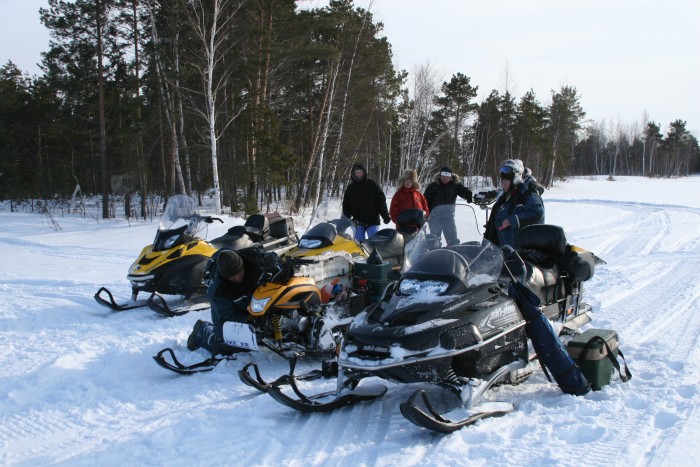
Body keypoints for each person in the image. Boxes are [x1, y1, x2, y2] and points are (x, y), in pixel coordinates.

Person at [187, 247, 277, 356]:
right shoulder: (218, 290)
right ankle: (202, 331)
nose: (238, 278)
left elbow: (278, 262)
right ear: (225, 276)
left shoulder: (255, 258)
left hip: (259, 303)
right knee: (237, 345)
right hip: (233, 313)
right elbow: (229, 315)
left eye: (239, 273)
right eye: (233, 278)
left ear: (242, 265)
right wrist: (252, 321)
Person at [484, 159, 545, 248]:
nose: (504, 183)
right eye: (503, 180)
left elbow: (538, 214)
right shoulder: (504, 199)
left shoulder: (528, 195)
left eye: (507, 180)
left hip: (523, 252)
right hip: (505, 252)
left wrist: (513, 220)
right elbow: (492, 227)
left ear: (516, 177)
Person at [423, 166, 473, 246]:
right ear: (440, 176)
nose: (445, 178)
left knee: (453, 240)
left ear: (450, 177)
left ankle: (452, 256)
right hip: (434, 218)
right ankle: (434, 256)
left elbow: (463, 190)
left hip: (448, 217)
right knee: (434, 241)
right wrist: (425, 213)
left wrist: (467, 193)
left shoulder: (455, 185)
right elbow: (424, 200)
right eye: (443, 176)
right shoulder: (433, 186)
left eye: (447, 177)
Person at [342, 162, 391, 241]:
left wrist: (385, 216)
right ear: (353, 174)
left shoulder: (372, 184)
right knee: (358, 244)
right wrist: (346, 217)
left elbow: (380, 201)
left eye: (360, 172)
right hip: (358, 222)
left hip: (372, 221)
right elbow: (346, 204)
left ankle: (374, 253)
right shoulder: (351, 188)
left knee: (374, 242)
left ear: (364, 172)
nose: (358, 174)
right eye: (356, 172)